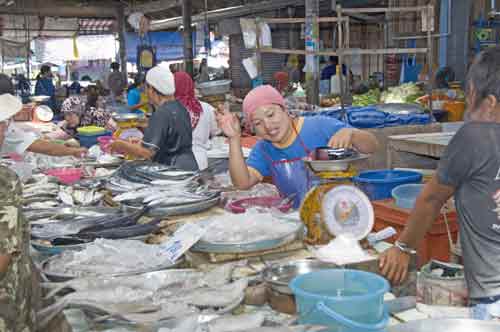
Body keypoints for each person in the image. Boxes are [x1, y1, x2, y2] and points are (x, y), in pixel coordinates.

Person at [379, 46, 500, 306]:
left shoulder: (475, 136)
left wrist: (402, 248)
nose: (468, 109)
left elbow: (431, 199)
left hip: (492, 296)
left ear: (489, 103)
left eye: (470, 98)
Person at [216, 85, 378, 206]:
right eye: (258, 123)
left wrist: (352, 134)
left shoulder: (318, 126)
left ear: (285, 110)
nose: (268, 125)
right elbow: (242, 184)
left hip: (342, 213)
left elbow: (372, 146)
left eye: (271, 114)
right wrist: (234, 139)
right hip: (298, 220)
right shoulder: (264, 149)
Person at [111, 65, 198, 171]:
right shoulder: (180, 107)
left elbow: (147, 153)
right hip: (190, 166)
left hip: (172, 171)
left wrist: (121, 145)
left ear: (152, 89)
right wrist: (142, 140)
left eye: (147, 88)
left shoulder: (161, 113)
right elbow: (170, 139)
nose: (146, 92)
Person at [174, 71, 220, 170]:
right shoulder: (207, 108)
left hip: (173, 163)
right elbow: (217, 130)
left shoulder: (167, 110)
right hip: (199, 161)